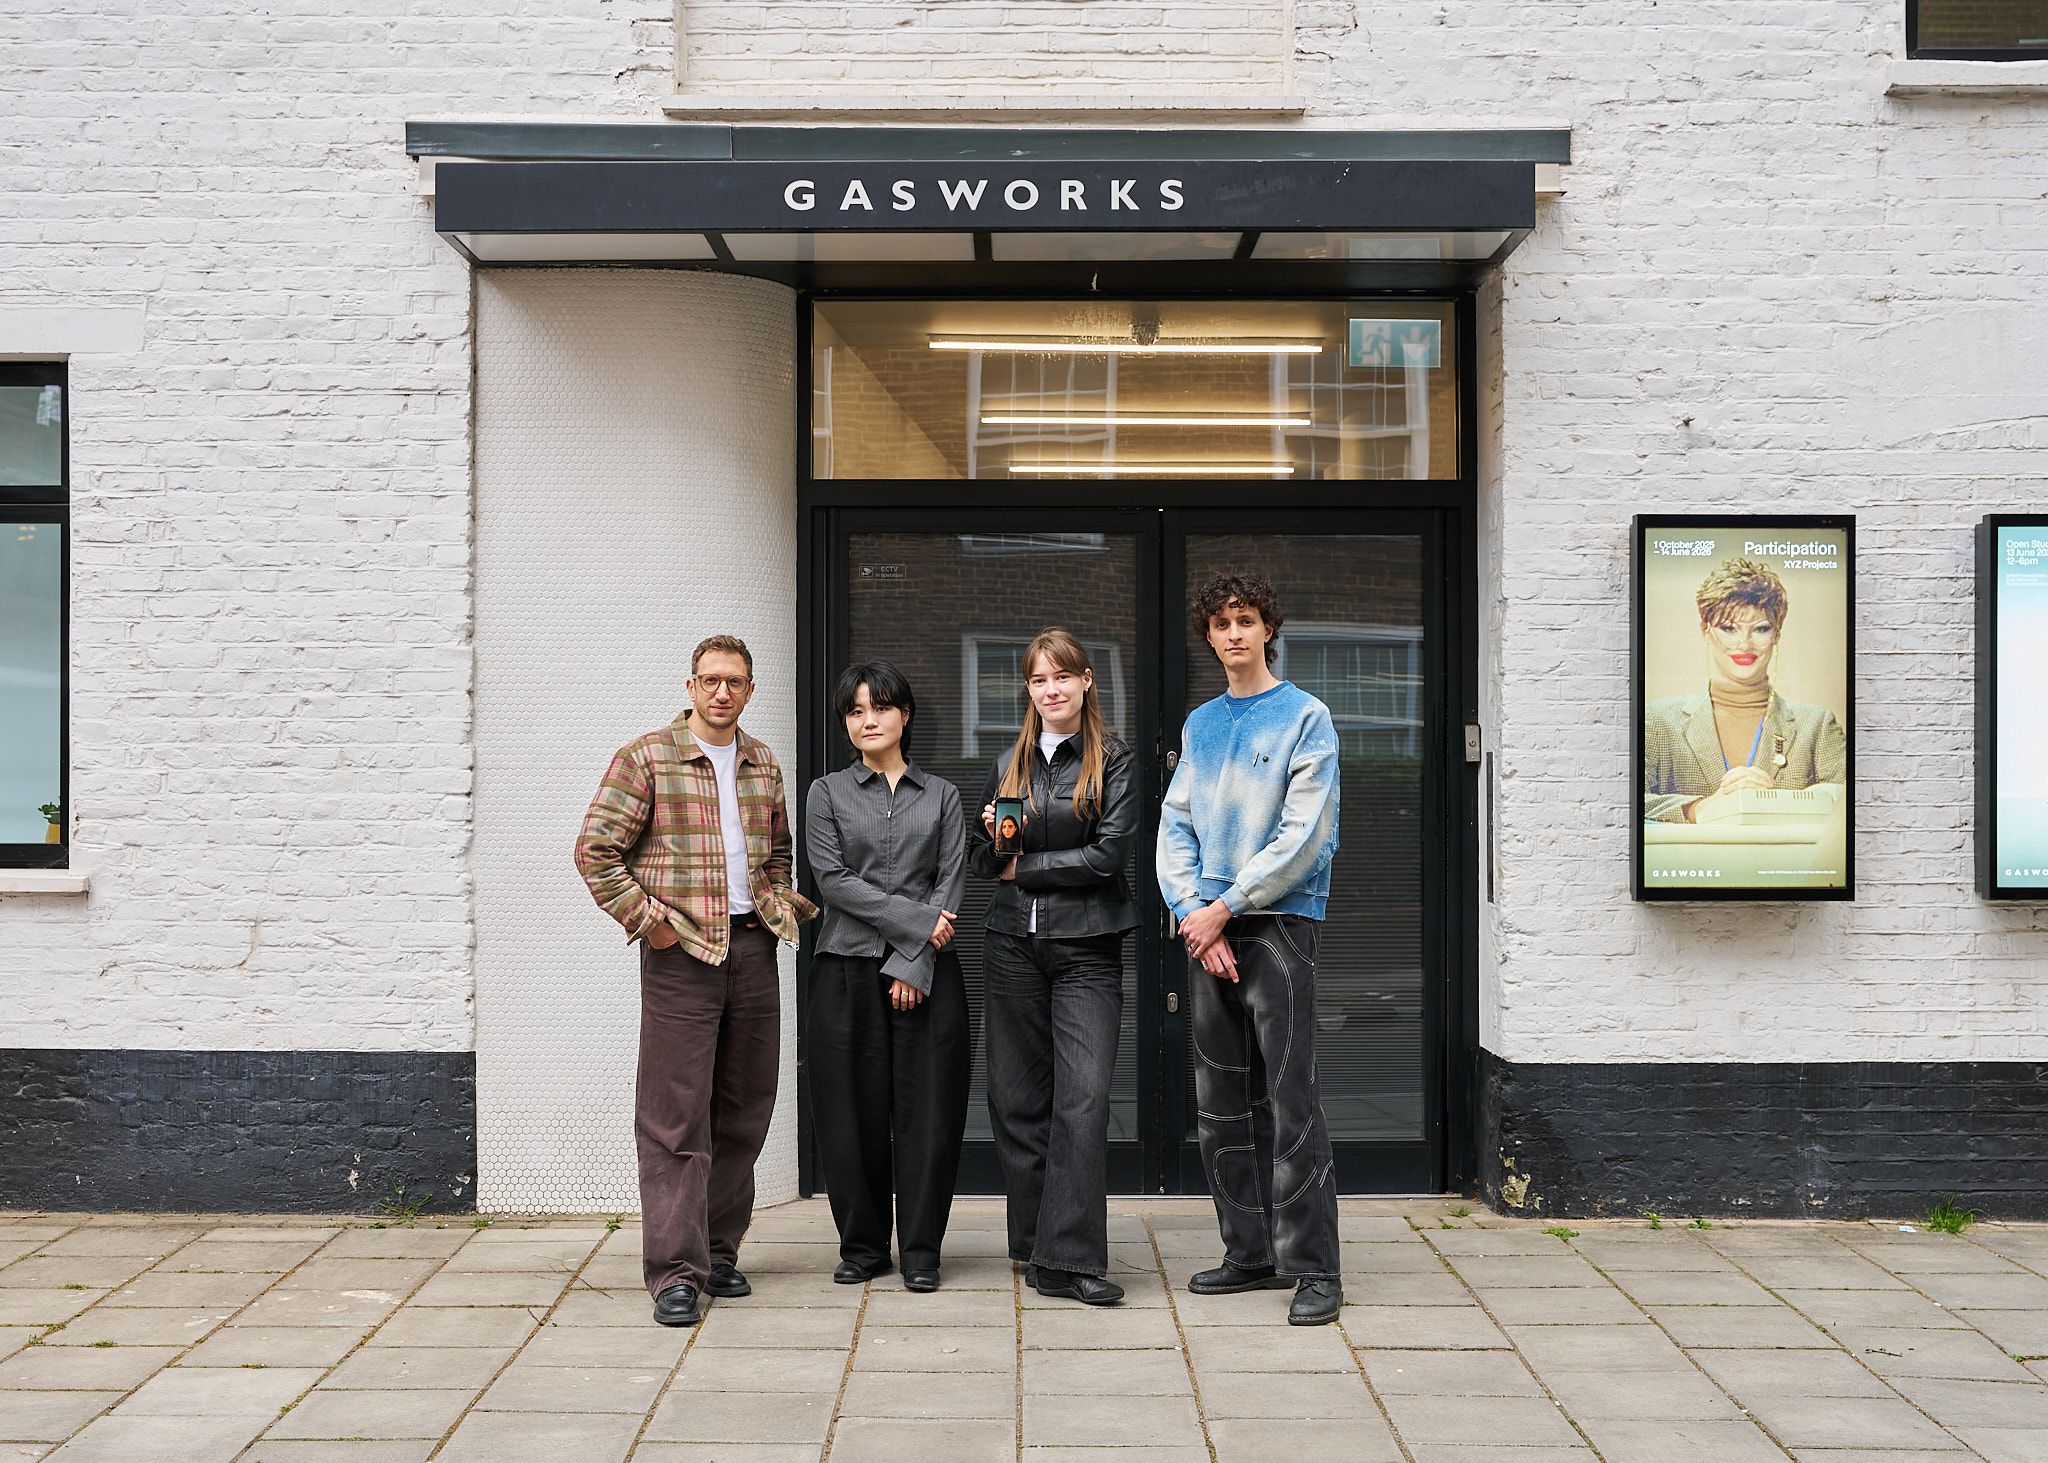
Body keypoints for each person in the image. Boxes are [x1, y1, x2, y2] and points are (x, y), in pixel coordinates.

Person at [574, 634, 817, 1328]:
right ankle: (676, 1272)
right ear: (690, 686)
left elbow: (777, 854)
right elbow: (595, 849)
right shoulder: (646, 757)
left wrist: (777, 904)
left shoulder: (762, 761)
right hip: (682, 955)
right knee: (675, 1116)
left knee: (744, 1108)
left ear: (749, 689)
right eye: (709, 680)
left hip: (752, 952)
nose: (721, 692)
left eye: (734, 681)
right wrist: (650, 921)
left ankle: (717, 1251)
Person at [1158, 571, 1345, 1326]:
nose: (1234, 633)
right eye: (1221, 623)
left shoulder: (1306, 718)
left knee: (1290, 1098)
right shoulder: (1200, 725)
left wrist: (1228, 906)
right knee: (1219, 1101)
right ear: (1208, 635)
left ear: (1268, 627)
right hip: (1208, 925)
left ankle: (1315, 1267)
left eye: (1246, 620)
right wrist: (1193, 910)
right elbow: (1175, 826)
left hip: (1278, 924)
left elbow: (1307, 835)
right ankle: (1249, 1250)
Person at [970, 628, 1138, 1306]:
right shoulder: (1009, 762)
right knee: (1015, 1103)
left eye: (1062, 676)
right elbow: (989, 868)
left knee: (1084, 1099)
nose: (1052, 689)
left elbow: (1107, 858)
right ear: (1029, 689)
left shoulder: (1113, 761)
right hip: (1011, 947)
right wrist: (991, 842)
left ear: (1086, 681)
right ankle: (1037, 1245)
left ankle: (1071, 1257)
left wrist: (1024, 866)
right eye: (1040, 680)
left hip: (1086, 949)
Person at [804, 660, 970, 1293]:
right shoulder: (827, 793)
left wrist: (912, 963)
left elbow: (951, 884)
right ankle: (864, 1246)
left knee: (929, 1111)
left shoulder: (944, 796)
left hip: (928, 976)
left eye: (879, 707)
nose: (867, 719)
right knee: (850, 1112)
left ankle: (922, 1247)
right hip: (845, 972)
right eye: (855, 710)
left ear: (905, 716)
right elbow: (834, 883)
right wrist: (915, 930)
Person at [1643, 557, 1847, 824]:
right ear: (1705, 631)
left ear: (1777, 635)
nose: (1744, 643)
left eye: (1760, 629)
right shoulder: (1657, 721)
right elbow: (1626, 803)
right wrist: (1699, 808)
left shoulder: (1817, 725)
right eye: (1729, 628)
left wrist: (1778, 803)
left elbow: (1852, 805)